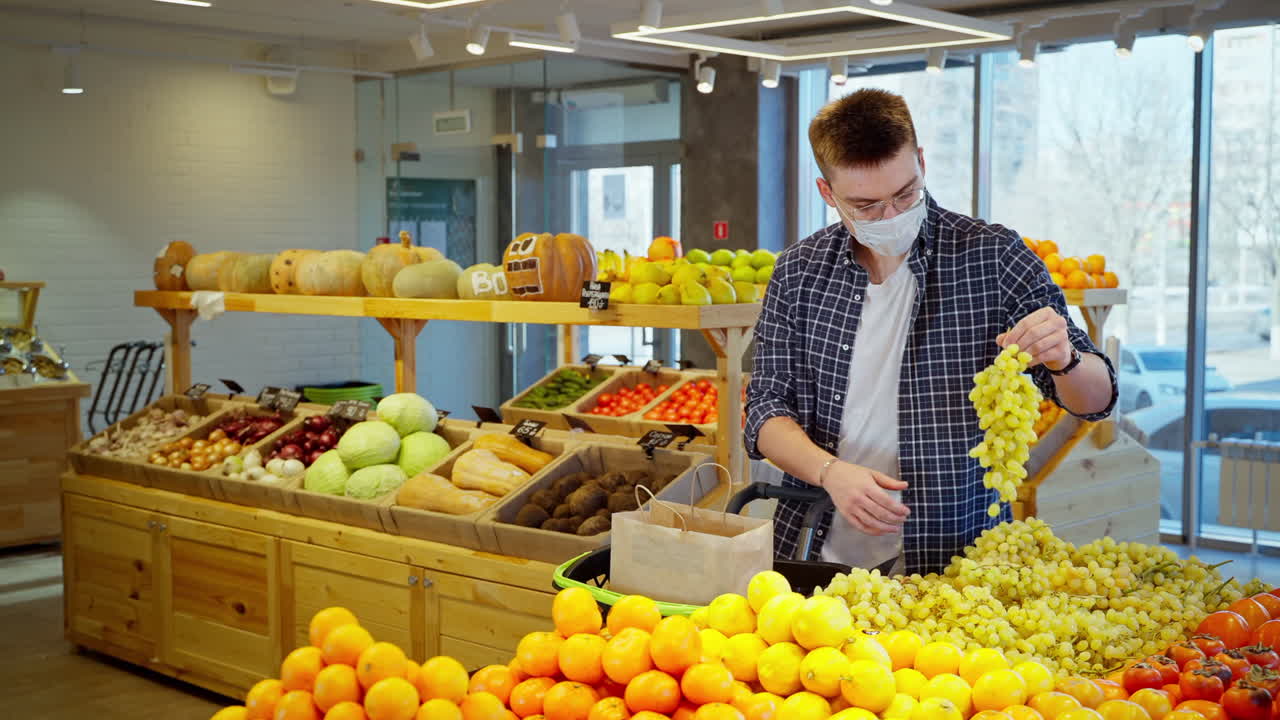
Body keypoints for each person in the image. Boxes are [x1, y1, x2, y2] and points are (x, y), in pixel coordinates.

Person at [744, 88, 1117, 575]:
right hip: (816, 551)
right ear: (827, 194)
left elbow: (1097, 399)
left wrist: (1064, 358)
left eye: (905, 193)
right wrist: (830, 473)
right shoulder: (799, 272)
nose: (892, 217)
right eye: (867, 206)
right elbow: (765, 410)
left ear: (920, 162)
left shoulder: (994, 257)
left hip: (958, 559)